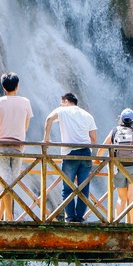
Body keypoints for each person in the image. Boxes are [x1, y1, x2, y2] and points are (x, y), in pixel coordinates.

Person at [44, 93, 97, 222]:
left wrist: (46, 139)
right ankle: (79, 218)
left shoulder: (62, 110)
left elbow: (49, 119)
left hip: (70, 153)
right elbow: (93, 138)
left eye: (61, 102)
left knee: (67, 188)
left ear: (66, 101)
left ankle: (70, 218)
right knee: (83, 188)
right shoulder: (87, 115)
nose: (60, 105)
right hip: (85, 154)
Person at [0, 72, 34, 221]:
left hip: (1, 145)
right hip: (18, 146)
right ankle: (5, 215)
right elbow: (26, 126)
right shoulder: (25, 102)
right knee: (9, 183)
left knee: (5, 182)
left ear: (3, 87)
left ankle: (5, 215)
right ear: (17, 86)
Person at [100, 108, 133, 224]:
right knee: (132, 198)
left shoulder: (114, 131)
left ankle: (116, 223)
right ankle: (132, 224)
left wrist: (97, 160)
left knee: (121, 198)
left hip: (118, 167)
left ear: (121, 119)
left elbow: (102, 148)